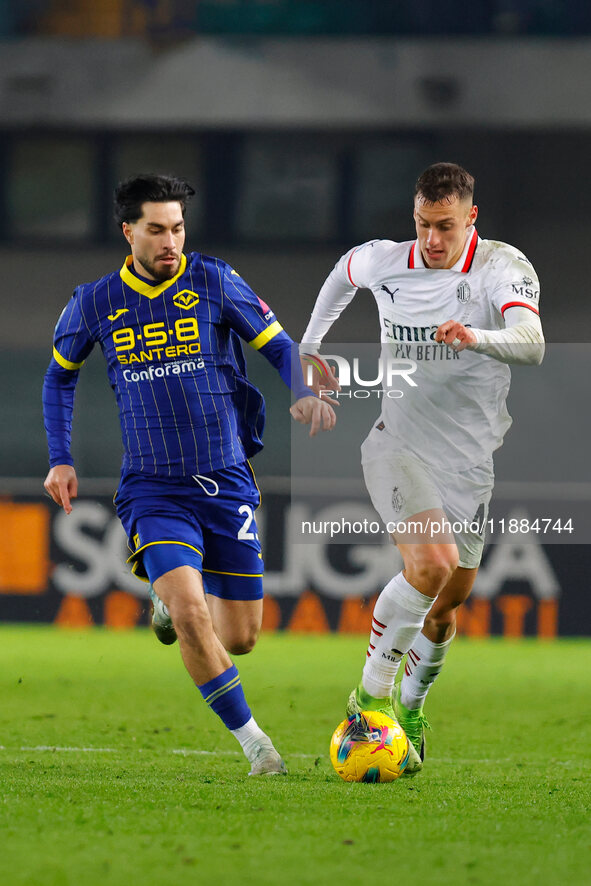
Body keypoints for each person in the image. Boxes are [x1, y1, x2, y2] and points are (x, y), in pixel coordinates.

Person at [43, 173, 335, 776]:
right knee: (190, 614)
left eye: (177, 227)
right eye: (156, 229)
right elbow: (59, 376)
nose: (171, 240)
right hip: (154, 486)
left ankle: (169, 597)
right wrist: (60, 457)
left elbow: (278, 345)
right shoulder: (94, 302)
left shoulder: (214, 279)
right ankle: (259, 748)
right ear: (128, 232)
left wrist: (302, 392)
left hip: (226, 478)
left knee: (242, 636)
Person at [300, 162, 544, 775]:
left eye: (444, 226)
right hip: (396, 444)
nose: (431, 240)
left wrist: (476, 338)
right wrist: (310, 346)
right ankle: (369, 697)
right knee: (430, 566)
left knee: (446, 604)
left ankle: (411, 706)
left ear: (471, 218)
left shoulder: (500, 268)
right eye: (422, 224)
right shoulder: (386, 260)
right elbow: (341, 275)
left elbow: (533, 342)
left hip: (468, 463)